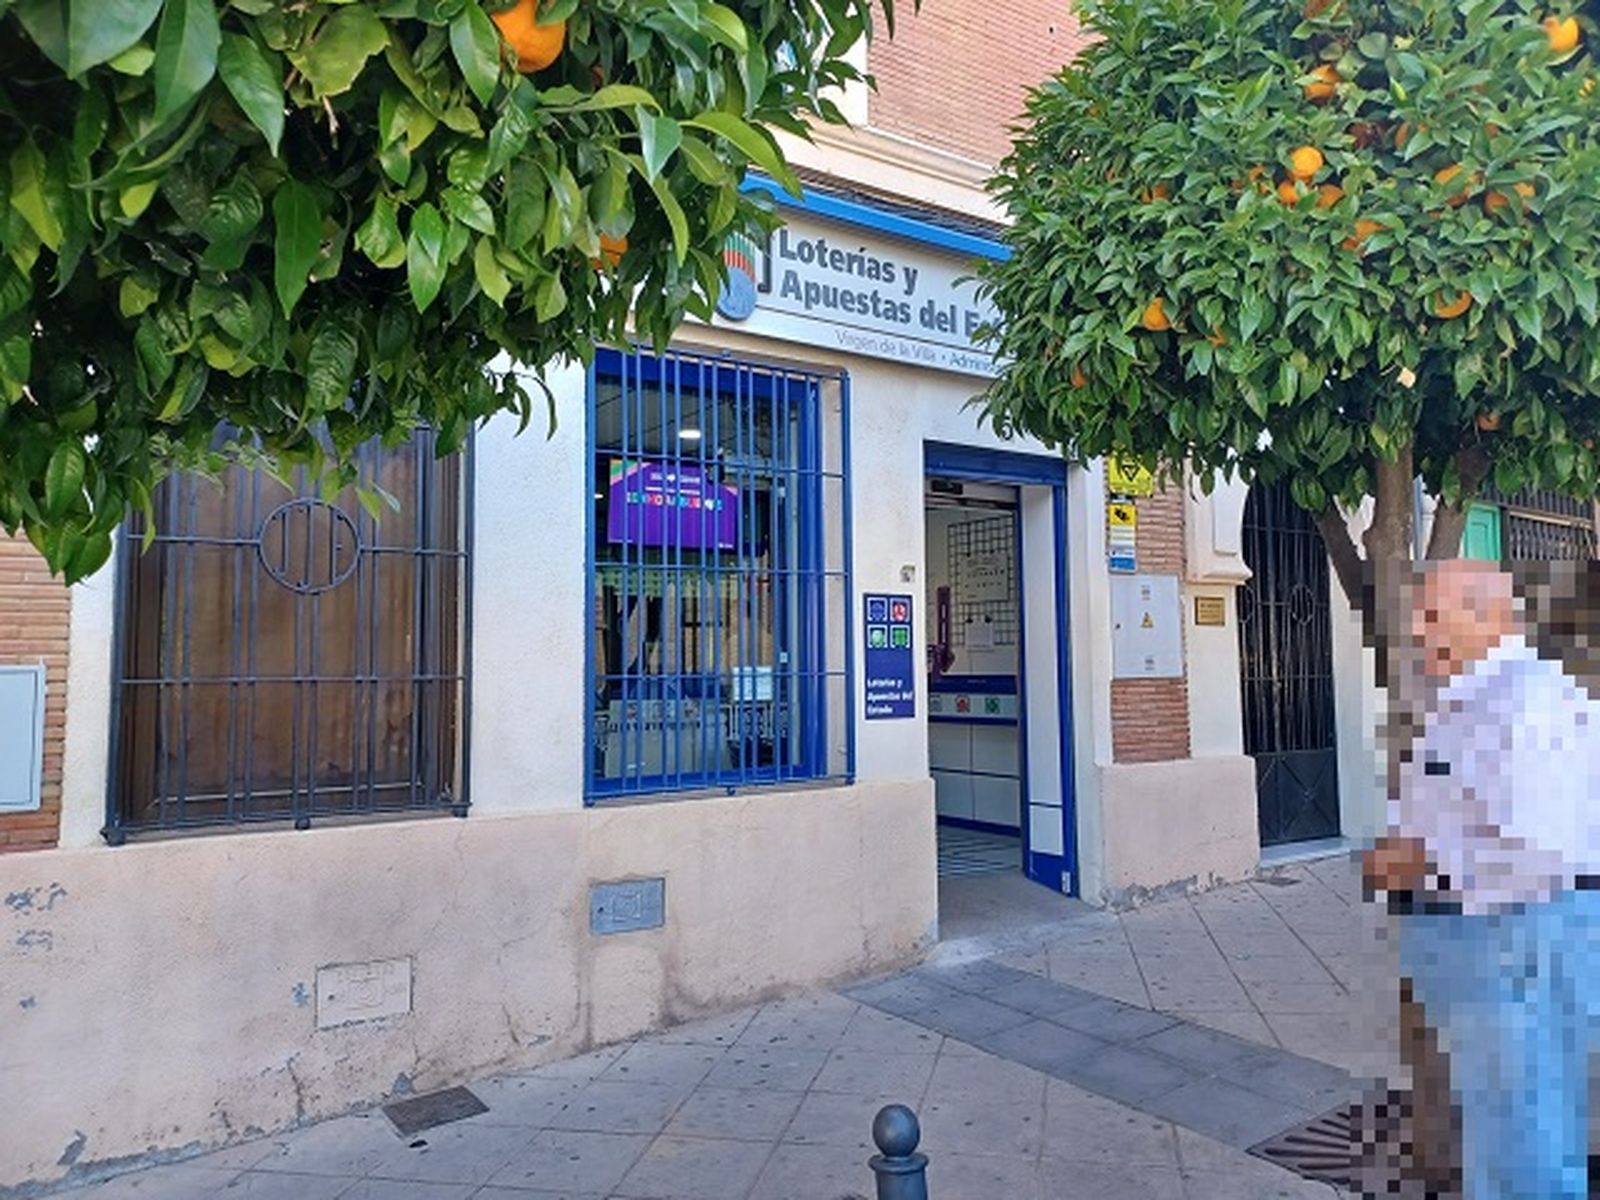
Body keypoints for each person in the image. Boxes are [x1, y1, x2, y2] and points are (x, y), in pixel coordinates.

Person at [1368, 560, 1600, 1199]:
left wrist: (1415, 860)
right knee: (1506, 1131)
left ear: (1492, 618)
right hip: (1493, 937)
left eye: (1434, 615)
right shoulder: (1479, 697)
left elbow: (1539, 848)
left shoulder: (1525, 703)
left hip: (1518, 936)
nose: (1417, 629)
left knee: (1525, 1141)